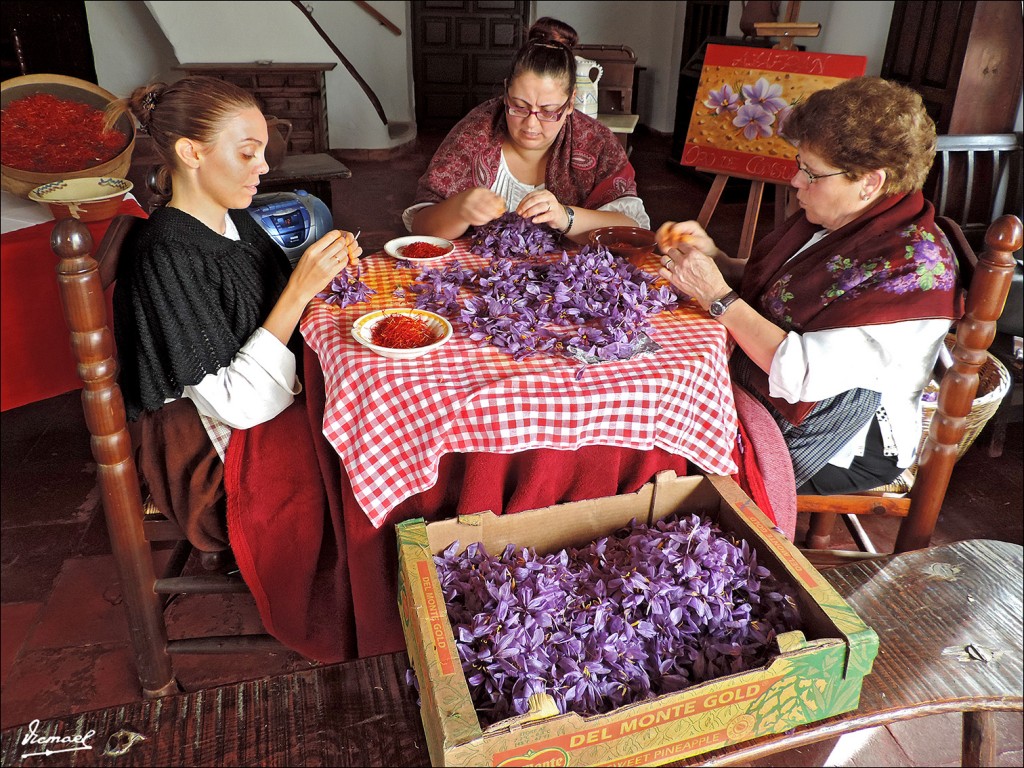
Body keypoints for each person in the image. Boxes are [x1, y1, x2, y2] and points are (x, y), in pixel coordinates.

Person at [655, 76, 962, 496]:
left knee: (658, 454)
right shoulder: (854, 223)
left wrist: (718, 296)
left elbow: (801, 374)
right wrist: (718, 260)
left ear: (870, 182)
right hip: (787, 400)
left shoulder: (908, 272)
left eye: (811, 173)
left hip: (840, 442)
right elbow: (787, 286)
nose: (796, 181)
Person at [105, 76, 362, 552]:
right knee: (363, 469)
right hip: (207, 455)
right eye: (248, 153)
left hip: (257, 405)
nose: (263, 167)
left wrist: (321, 274)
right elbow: (236, 405)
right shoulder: (168, 253)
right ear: (191, 152)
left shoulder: (234, 218)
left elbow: (268, 309)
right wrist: (299, 290)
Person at [403, 16, 649, 243]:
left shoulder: (595, 143)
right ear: (506, 90)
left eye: (548, 111)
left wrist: (566, 217)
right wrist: (459, 210)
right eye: (519, 107)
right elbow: (421, 228)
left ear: (571, 102)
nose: (531, 124)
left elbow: (633, 232)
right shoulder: (474, 133)